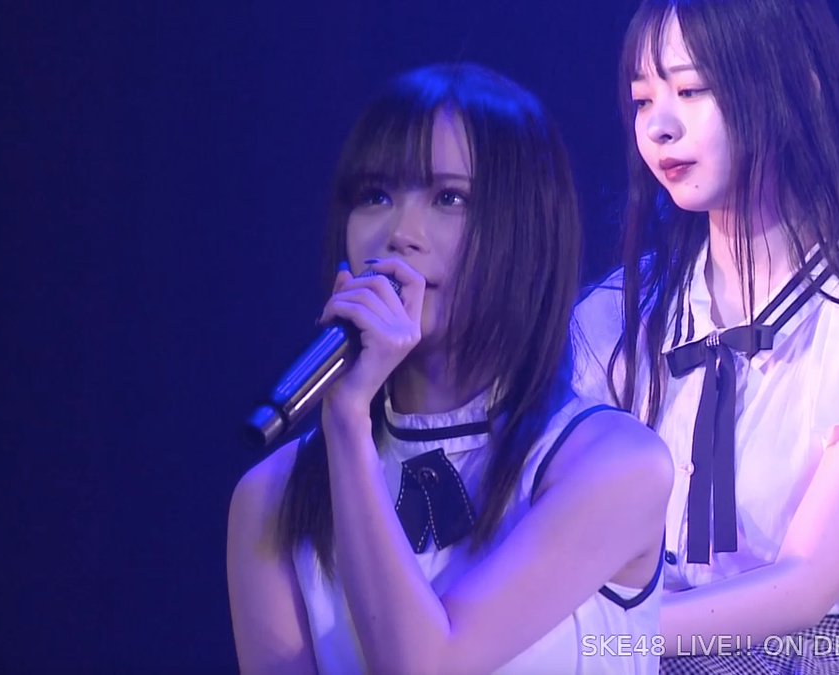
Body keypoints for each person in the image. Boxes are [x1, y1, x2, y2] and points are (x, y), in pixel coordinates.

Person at [227, 63, 672, 674]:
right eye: (375, 195)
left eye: (449, 198)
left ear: (525, 231)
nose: (400, 234)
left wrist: (349, 425)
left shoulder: (612, 462)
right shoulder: (274, 494)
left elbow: (429, 666)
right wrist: (346, 424)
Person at [571, 1, 839, 672]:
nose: (658, 126)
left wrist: (597, 639)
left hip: (824, 654)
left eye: (691, 91)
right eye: (642, 99)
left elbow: (804, 585)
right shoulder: (616, 316)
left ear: (796, 87)